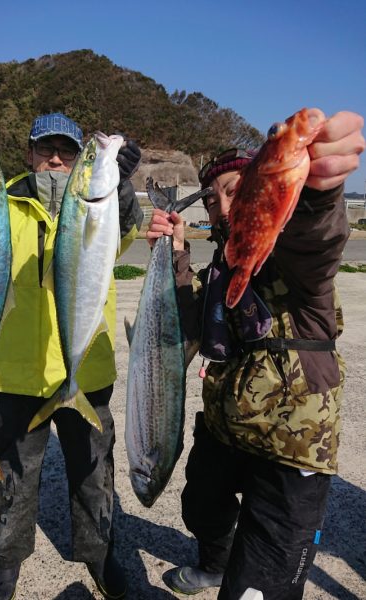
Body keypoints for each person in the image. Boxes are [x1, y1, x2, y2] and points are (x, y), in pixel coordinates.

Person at [0, 108, 144, 600]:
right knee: (14, 477)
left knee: (92, 472)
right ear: (29, 154)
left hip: (86, 369)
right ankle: (7, 558)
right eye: (47, 150)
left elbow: (128, 230)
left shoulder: (97, 204)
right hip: (12, 372)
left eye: (68, 151)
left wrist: (121, 185)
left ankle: (99, 553)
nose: (58, 160)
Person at [146, 108, 365, 600]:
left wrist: (318, 194)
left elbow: (319, 238)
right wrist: (177, 254)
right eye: (212, 198)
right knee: (200, 508)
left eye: (234, 189)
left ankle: (243, 579)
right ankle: (217, 564)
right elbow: (184, 334)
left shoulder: (297, 262)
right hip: (225, 430)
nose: (222, 206)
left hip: (292, 449)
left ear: (259, 189)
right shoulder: (219, 271)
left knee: (260, 586)